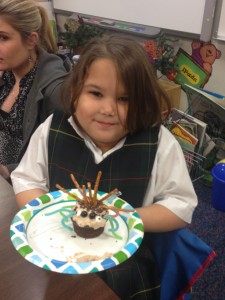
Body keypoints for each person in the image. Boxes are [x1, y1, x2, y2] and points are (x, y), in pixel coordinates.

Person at [11, 34, 198, 299]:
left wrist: (127, 218)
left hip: (127, 268)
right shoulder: (53, 129)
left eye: (124, 99)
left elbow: (181, 205)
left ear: (143, 101)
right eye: (96, 93)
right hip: (60, 259)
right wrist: (47, 216)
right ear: (75, 90)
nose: (108, 109)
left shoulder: (159, 144)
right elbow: (27, 180)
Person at [0, 0, 71, 180]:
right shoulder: (7, 73)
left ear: (31, 40)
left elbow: (62, 156)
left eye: (3, 38)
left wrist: (9, 170)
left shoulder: (55, 90)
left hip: (20, 184)